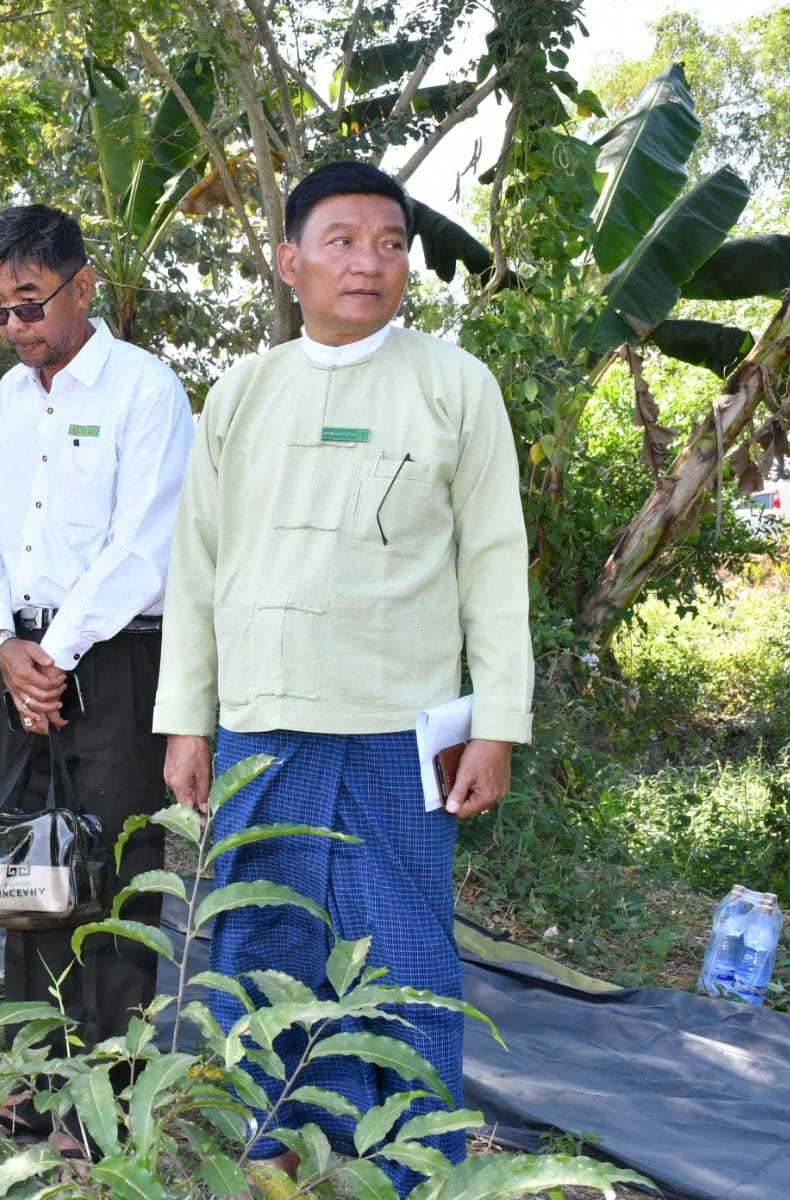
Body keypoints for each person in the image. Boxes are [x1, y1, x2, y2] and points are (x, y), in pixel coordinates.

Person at [154, 162, 533, 1196]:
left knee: (406, 955)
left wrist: (497, 724)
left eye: (391, 243)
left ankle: (414, 1166)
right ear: (291, 263)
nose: (370, 262)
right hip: (263, 722)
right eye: (343, 241)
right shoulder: (243, 392)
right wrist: (187, 721)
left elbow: (494, 565)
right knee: (255, 941)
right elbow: (196, 569)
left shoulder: (454, 386)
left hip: (398, 730)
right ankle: (267, 1152)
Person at [0, 204, 194, 1162]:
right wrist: (2, 645)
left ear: (83, 286)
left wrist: (56, 652)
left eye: (30, 301)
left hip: (116, 659)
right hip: (20, 666)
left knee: (116, 870)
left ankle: (109, 1097)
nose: (15, 325)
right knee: (29, 863)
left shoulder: (146, 389)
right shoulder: (5, 404)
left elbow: (146, 544)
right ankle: (36, 1071)